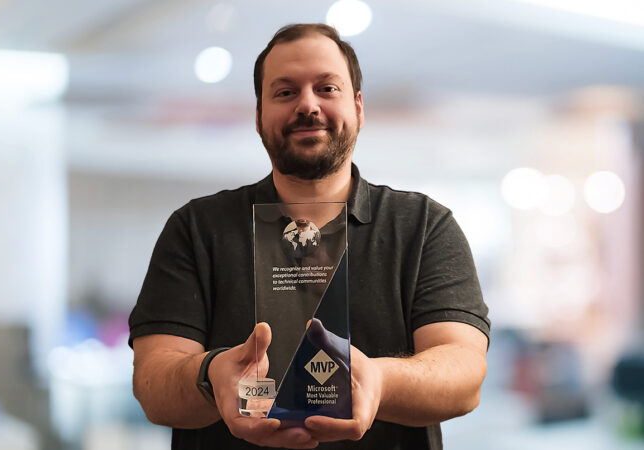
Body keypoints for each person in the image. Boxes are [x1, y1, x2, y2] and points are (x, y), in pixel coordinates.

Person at [129, 23, 490, 449]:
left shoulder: (423, 226)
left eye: (327, 88)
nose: (307, 105)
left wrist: (378, 380)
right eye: (284, 92)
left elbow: (463, 372)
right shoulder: (196, 229)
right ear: (259, 114)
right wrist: (212, 376)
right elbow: (152, 384)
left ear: (358, 106)